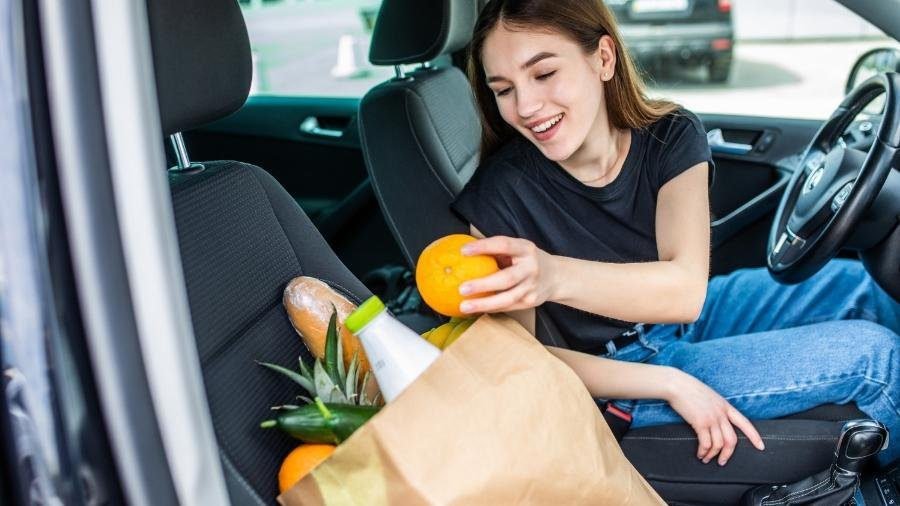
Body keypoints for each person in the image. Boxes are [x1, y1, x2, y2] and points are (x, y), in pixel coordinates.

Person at [450, 0, 900, 467]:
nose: (525, 106)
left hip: (683, 323)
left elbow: (685, 292)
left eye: (543, 75)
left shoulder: (670, 135)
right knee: (878, 362)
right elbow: (528, 362)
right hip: (612, 374)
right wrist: (668, 382)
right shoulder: (499, 197)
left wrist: (550, 275)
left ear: (603, 59)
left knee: (865, 290)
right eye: (503, 90)